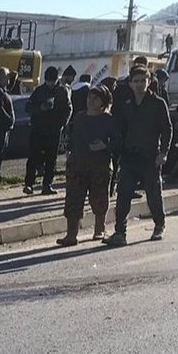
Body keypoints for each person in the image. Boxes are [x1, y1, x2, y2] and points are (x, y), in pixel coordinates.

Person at [103, 67, 171, 246]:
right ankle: (120, 232)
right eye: (136, 81)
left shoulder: (157, 103)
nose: (140, 84)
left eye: (143, 80)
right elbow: (119, 128)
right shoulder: (125, 104)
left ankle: (159, 225)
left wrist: (163, 153)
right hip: (129, 157)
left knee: (153, 194)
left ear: (149, 82)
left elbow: (167, 129)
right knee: (123, 196)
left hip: (150, 156)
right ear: (131, 83)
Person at [57, 85, 117, 246]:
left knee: (99, 199)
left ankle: (99, 230)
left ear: (103, 102)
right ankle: (71, 235)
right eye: (89, 97)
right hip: (78, 165)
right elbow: (70, 135)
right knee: (73, 200)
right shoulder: (80, 117)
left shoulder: (109, 120)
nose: (91, 101)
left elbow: (118, 141)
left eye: (95, 98)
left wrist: (104, 145)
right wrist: (68, 151)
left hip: (100, 166)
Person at [23, 66, 72, 195]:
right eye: (48, 81)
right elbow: (28, 107)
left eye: (52, 81)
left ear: (57, 80)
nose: (50, 84)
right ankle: (29, 184)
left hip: (53, 130)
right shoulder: (39, 91)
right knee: (33, 157)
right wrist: (40, 107)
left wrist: (62, 124)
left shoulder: (62, 91)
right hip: (38, 129)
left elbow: (68, 109)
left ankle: (47, 185)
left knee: (51, 159)